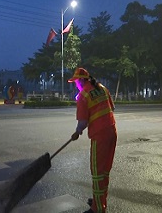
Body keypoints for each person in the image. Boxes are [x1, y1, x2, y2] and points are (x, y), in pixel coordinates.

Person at [68, 67, 117, 213]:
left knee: (97, 173)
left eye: (76, 81)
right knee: (104, 172)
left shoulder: (83, 95)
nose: (75, 84)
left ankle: (97, 209)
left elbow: (82, 122)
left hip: (100, 136)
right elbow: (111, 108)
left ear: (82, 80)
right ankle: (100, 202)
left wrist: (77, 132)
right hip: (112, 132)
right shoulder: (102, 88)